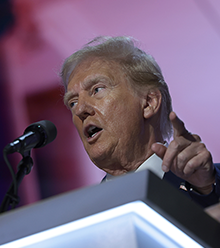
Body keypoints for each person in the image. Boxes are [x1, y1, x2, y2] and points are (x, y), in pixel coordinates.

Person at [60, 36, 220, 207]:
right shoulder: (81, 217)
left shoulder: (209, 183)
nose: (79, 110)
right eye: (73, 102)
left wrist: (205, 189)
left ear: (149, 103)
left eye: (97, 89)